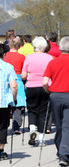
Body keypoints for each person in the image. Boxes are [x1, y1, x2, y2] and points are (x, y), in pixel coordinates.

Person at [21, 36, 53, 146]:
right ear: (44, 47)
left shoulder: (29, 58)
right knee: (43, 112)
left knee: (31, 109)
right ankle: (41, 138)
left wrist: (28, 75)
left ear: (35, 47)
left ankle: (32, 128)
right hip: (45, 87)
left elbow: (24, 75)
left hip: (31, 87)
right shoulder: (49, 58)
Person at [43, 36, 69, 166]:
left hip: (55, 95)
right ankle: (64, 154)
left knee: (59, 126)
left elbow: (44, 82)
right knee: (67, 126)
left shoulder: (53, 62)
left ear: (60, 48)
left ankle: (61, 151)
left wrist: (48, 90)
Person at [4, 38, 26, 134]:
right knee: (18, 105)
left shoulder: (5, 56)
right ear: (19, 46)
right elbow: (24, 71)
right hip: (18, 80)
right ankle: (16, 126)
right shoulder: (22, 57)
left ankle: (3, 126)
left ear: (9, 45)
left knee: (6, 104)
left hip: (6, 80)